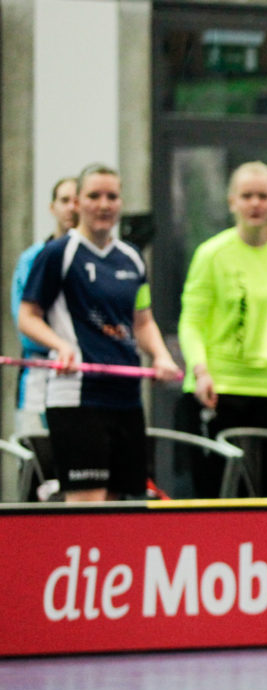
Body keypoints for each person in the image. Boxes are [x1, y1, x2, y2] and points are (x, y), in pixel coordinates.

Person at [17, 163, 182, 502]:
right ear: (77, 202)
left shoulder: (132, 258)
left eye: (112, 196)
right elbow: (27, 316)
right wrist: (61, 346)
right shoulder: (58, 254)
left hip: (126, 397)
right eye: (94, 196)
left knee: (123, 504)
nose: (104, 205)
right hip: (77, 396)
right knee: (87, 504)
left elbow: (142, 321)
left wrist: (161, 356)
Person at [176, 162, 267, 497]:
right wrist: (200, 371)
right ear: (232, 202)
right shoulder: (211, 254)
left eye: (263, 196)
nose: (255, 204)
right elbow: (191, 321)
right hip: (218, 388)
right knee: (214, 493)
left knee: (261, 494)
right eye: (247, 196)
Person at [10, 175, 78, 436]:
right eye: (64, 200)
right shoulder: (33, 258)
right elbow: (25, 322)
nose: (71, 208)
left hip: (84, 381)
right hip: (40, 377)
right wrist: (61, 347)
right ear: (52, 207)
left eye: (76, 200)